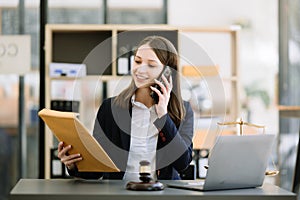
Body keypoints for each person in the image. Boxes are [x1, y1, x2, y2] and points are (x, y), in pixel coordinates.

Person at [57, 35, 194, 180]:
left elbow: (183, 163)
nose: (140, 69)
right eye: (137, 61)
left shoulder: (183, 111)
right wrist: (72, 165)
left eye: (151, 65)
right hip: (120, 195)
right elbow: (95, 171)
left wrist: (163, 116)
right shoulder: (110, 109)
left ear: (168, 72)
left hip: (163, 196)